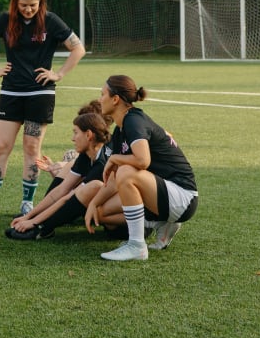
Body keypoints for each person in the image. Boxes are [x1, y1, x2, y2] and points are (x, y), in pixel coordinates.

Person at [0, 0, 86, 219]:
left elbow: (78, 49)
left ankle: (27, 202)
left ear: (40, 3)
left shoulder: (51, 21)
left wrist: (59, 74)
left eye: (33, 5)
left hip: (40, 94)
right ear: (16, 3)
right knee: (1, 146)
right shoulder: (5, 20)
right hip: (11, 92)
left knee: (31, 148)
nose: (28, 9)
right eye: (24, 5)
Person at [85, 75, 198, 261]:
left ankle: (136, 245)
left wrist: (115, 158)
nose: (99, 99)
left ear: (115, 99)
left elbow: (142, 161)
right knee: (101, 212)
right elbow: (114, 181)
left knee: (126, 171)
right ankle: (162, 223)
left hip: (182, 196)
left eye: (102, 94)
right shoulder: (121, 128)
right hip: (163, 194)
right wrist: (94, 203)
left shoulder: (133, 120)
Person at [4, 105, 127, 241]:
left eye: (75, 132)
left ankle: (43, 229)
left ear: (88, 135)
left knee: (93, 187)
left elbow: (68, 198)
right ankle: (41, 221)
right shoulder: (87, 154)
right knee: (70, 168)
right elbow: (61, 190)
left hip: (123, 228)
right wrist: (29, 216)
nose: (72, 138)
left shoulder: (102, 164)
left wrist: (35, 223)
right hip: (102, 213)